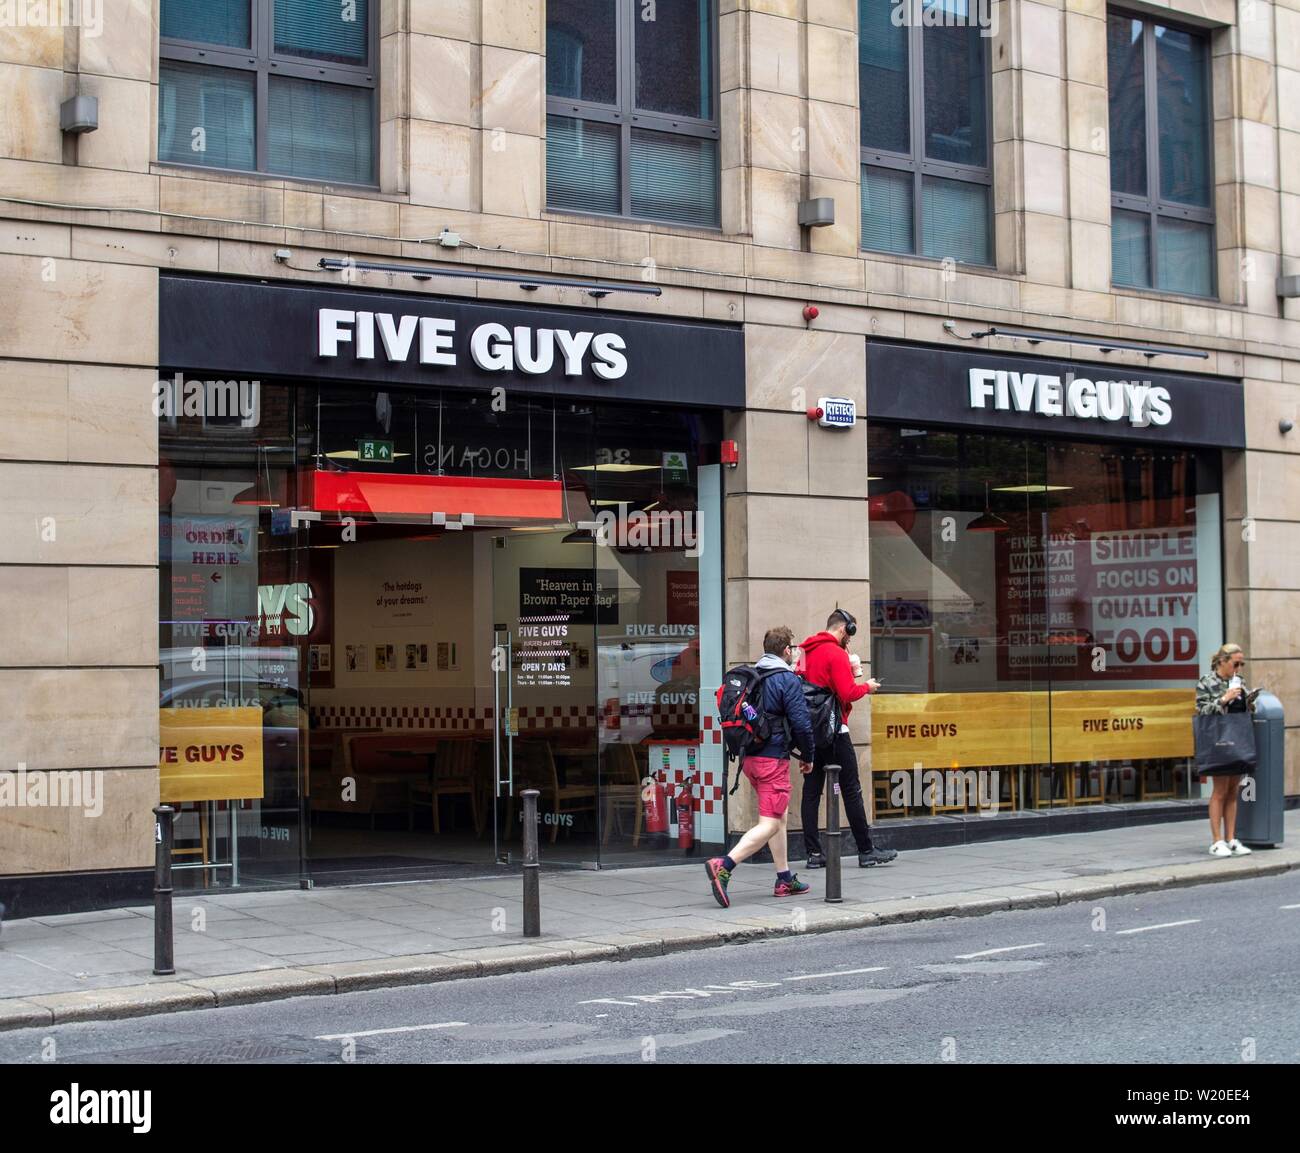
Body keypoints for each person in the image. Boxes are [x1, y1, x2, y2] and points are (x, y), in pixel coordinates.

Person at [706, 626, 817, 908]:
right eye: (793, 648)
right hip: (772, 760)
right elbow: (802, 723)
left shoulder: (753, 676)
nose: (795, 652)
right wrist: (808, 754)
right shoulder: (786, 679)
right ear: (787, 650)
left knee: (776, 818)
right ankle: (725, 865)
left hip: (751, 759)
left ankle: (784, 878)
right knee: (769, 822)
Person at [799, 609, 897, 868]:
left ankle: (813, 853)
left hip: (812, 731)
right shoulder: (836, 653)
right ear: (844, 629)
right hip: (835, 731)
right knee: (851, 789)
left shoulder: (807, 650)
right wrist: (867, 686)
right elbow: (848, 692)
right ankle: (866, 851)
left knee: (811, 791)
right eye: (850, 635)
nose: (850, 641)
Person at [1195, 642, 1256, 858]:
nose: (1239, 668)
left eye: (1241, 664)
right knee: (1219, 791)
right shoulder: (1207, 682)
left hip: (1237, 739)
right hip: (1218, 740)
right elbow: (1202, 711)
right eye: (1235, 663)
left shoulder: (1239, 681)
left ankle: (1231, 839)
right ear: (1223, 661)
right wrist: (1224, 699)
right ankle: (1216, 840)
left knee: (1233, 791)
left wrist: (1249, 701)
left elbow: (1244, 710)